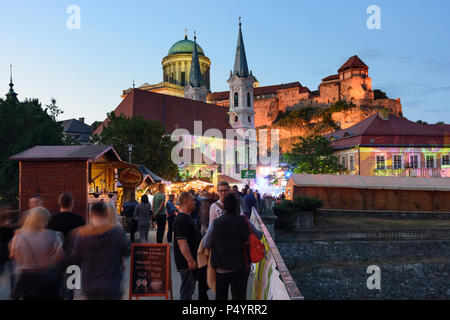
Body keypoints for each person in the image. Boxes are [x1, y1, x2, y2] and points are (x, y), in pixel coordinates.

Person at [203, 193, 262, 300]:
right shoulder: (244, 221)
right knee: (239, 296)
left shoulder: (215, 223)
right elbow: (258, 235)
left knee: (221, 296)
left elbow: (206, 243)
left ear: (224, 206)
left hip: (221, 267)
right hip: (241, 267)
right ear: (237, 206)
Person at [70, 202, 130, 300]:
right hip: (112, 284)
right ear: (106, 214)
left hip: (90, 284)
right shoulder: (118, 232)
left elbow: (75, 257)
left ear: (91, 214)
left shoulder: (82, 234)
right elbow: (127, 251)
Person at [10, 206, 65, 300]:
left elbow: (15, 257)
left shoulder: (18, 237)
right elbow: (60, 257)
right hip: (48, 279)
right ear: (46, 219)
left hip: (27, 279)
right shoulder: (54, 235)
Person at [47, 193, 85, 300]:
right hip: (74, 259)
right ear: (72, 203)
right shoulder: (79, 219)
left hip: (56, 257)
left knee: (57, 284)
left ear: (59, 203)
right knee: (71, 288)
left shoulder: (52, 219)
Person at [173, 192, 202, 300]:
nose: (195, 202)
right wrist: (190, 260)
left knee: (188, 289)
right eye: (193, 200)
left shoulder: (186, 217)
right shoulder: (182, 220)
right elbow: (182, 242)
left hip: (189, 261)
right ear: (186, 202)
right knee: (187, 291)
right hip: (186, 263)